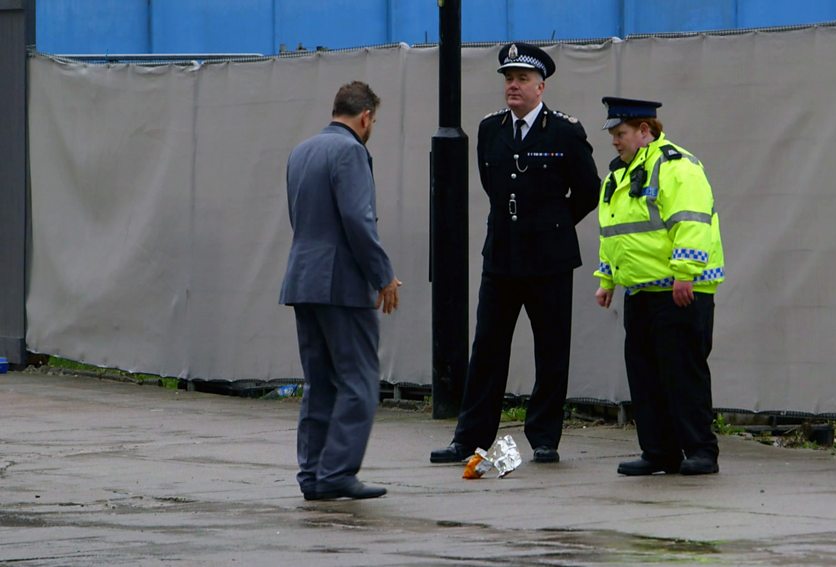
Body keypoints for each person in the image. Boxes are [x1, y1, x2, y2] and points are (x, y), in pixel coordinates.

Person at [430, 43, 601, 464]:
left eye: (522, 79)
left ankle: (544, 437)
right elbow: (492, 186)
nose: (513, 86)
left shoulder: (564, 130)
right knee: (487, 347)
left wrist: (553, 223)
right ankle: (470, 437)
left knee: (551, 349)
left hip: (550, 259)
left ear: (540, 87)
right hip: (503, 256)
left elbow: (588, 190)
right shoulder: (490, 129)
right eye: (508, 79)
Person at [279, 81, 402, 500]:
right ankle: (336, 474)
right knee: (359, 380)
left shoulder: (302, 150)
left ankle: (313, 474)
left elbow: (304, 218)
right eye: (374, 121)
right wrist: (383, 275)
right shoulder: (350, 152)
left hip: (303, 279)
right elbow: (357, 220)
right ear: (365, 117)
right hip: (341, 285)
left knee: (320, 382)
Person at [593, 97, 725, 476]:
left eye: (621, 134)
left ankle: (700, 450)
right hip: (642, 291)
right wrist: (608, 280)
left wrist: (685, 272)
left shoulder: (675, 166)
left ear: (645, 131)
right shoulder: (620, 173)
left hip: (679, 290)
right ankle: (659, 451)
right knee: (646, 376)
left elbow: (691, 220)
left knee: (683, 374)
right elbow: (613, 232)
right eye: (614, 135)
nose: (615, 141)